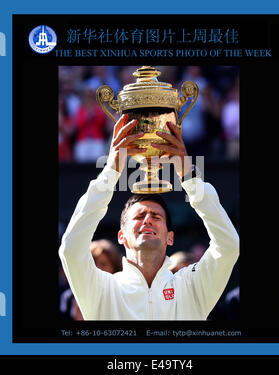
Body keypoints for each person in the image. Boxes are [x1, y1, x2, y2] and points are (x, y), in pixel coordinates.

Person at [59, 113, 239, 320]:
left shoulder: (191, 286)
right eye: (139, 216)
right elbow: (71, 250)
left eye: (156, 216)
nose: (147, 220)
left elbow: (228, 246)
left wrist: (190, 178)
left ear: (170, 237)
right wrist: (109, 174)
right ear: (121, 236)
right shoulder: (102, 288)